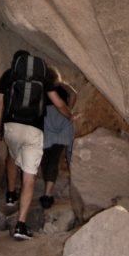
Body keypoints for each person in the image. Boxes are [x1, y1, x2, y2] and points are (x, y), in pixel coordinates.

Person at [0, 49, 74, 240]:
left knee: (12, 157)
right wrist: (70, 115)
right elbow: (59, 103)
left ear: (16, 63)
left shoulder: (9, 75)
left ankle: (11, 195)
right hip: (34, 130)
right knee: (29, 177)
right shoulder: (43, 76)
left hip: (11, 127)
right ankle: (21, 225)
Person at [39, 67, 77, 208]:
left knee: (45, 159)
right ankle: (48, 194)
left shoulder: (41, 89)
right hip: (62, 121)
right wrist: (69, 110)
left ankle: (47, 192)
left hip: (46, 124)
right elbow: (73, 95)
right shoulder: (61, 89)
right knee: (55, 158)